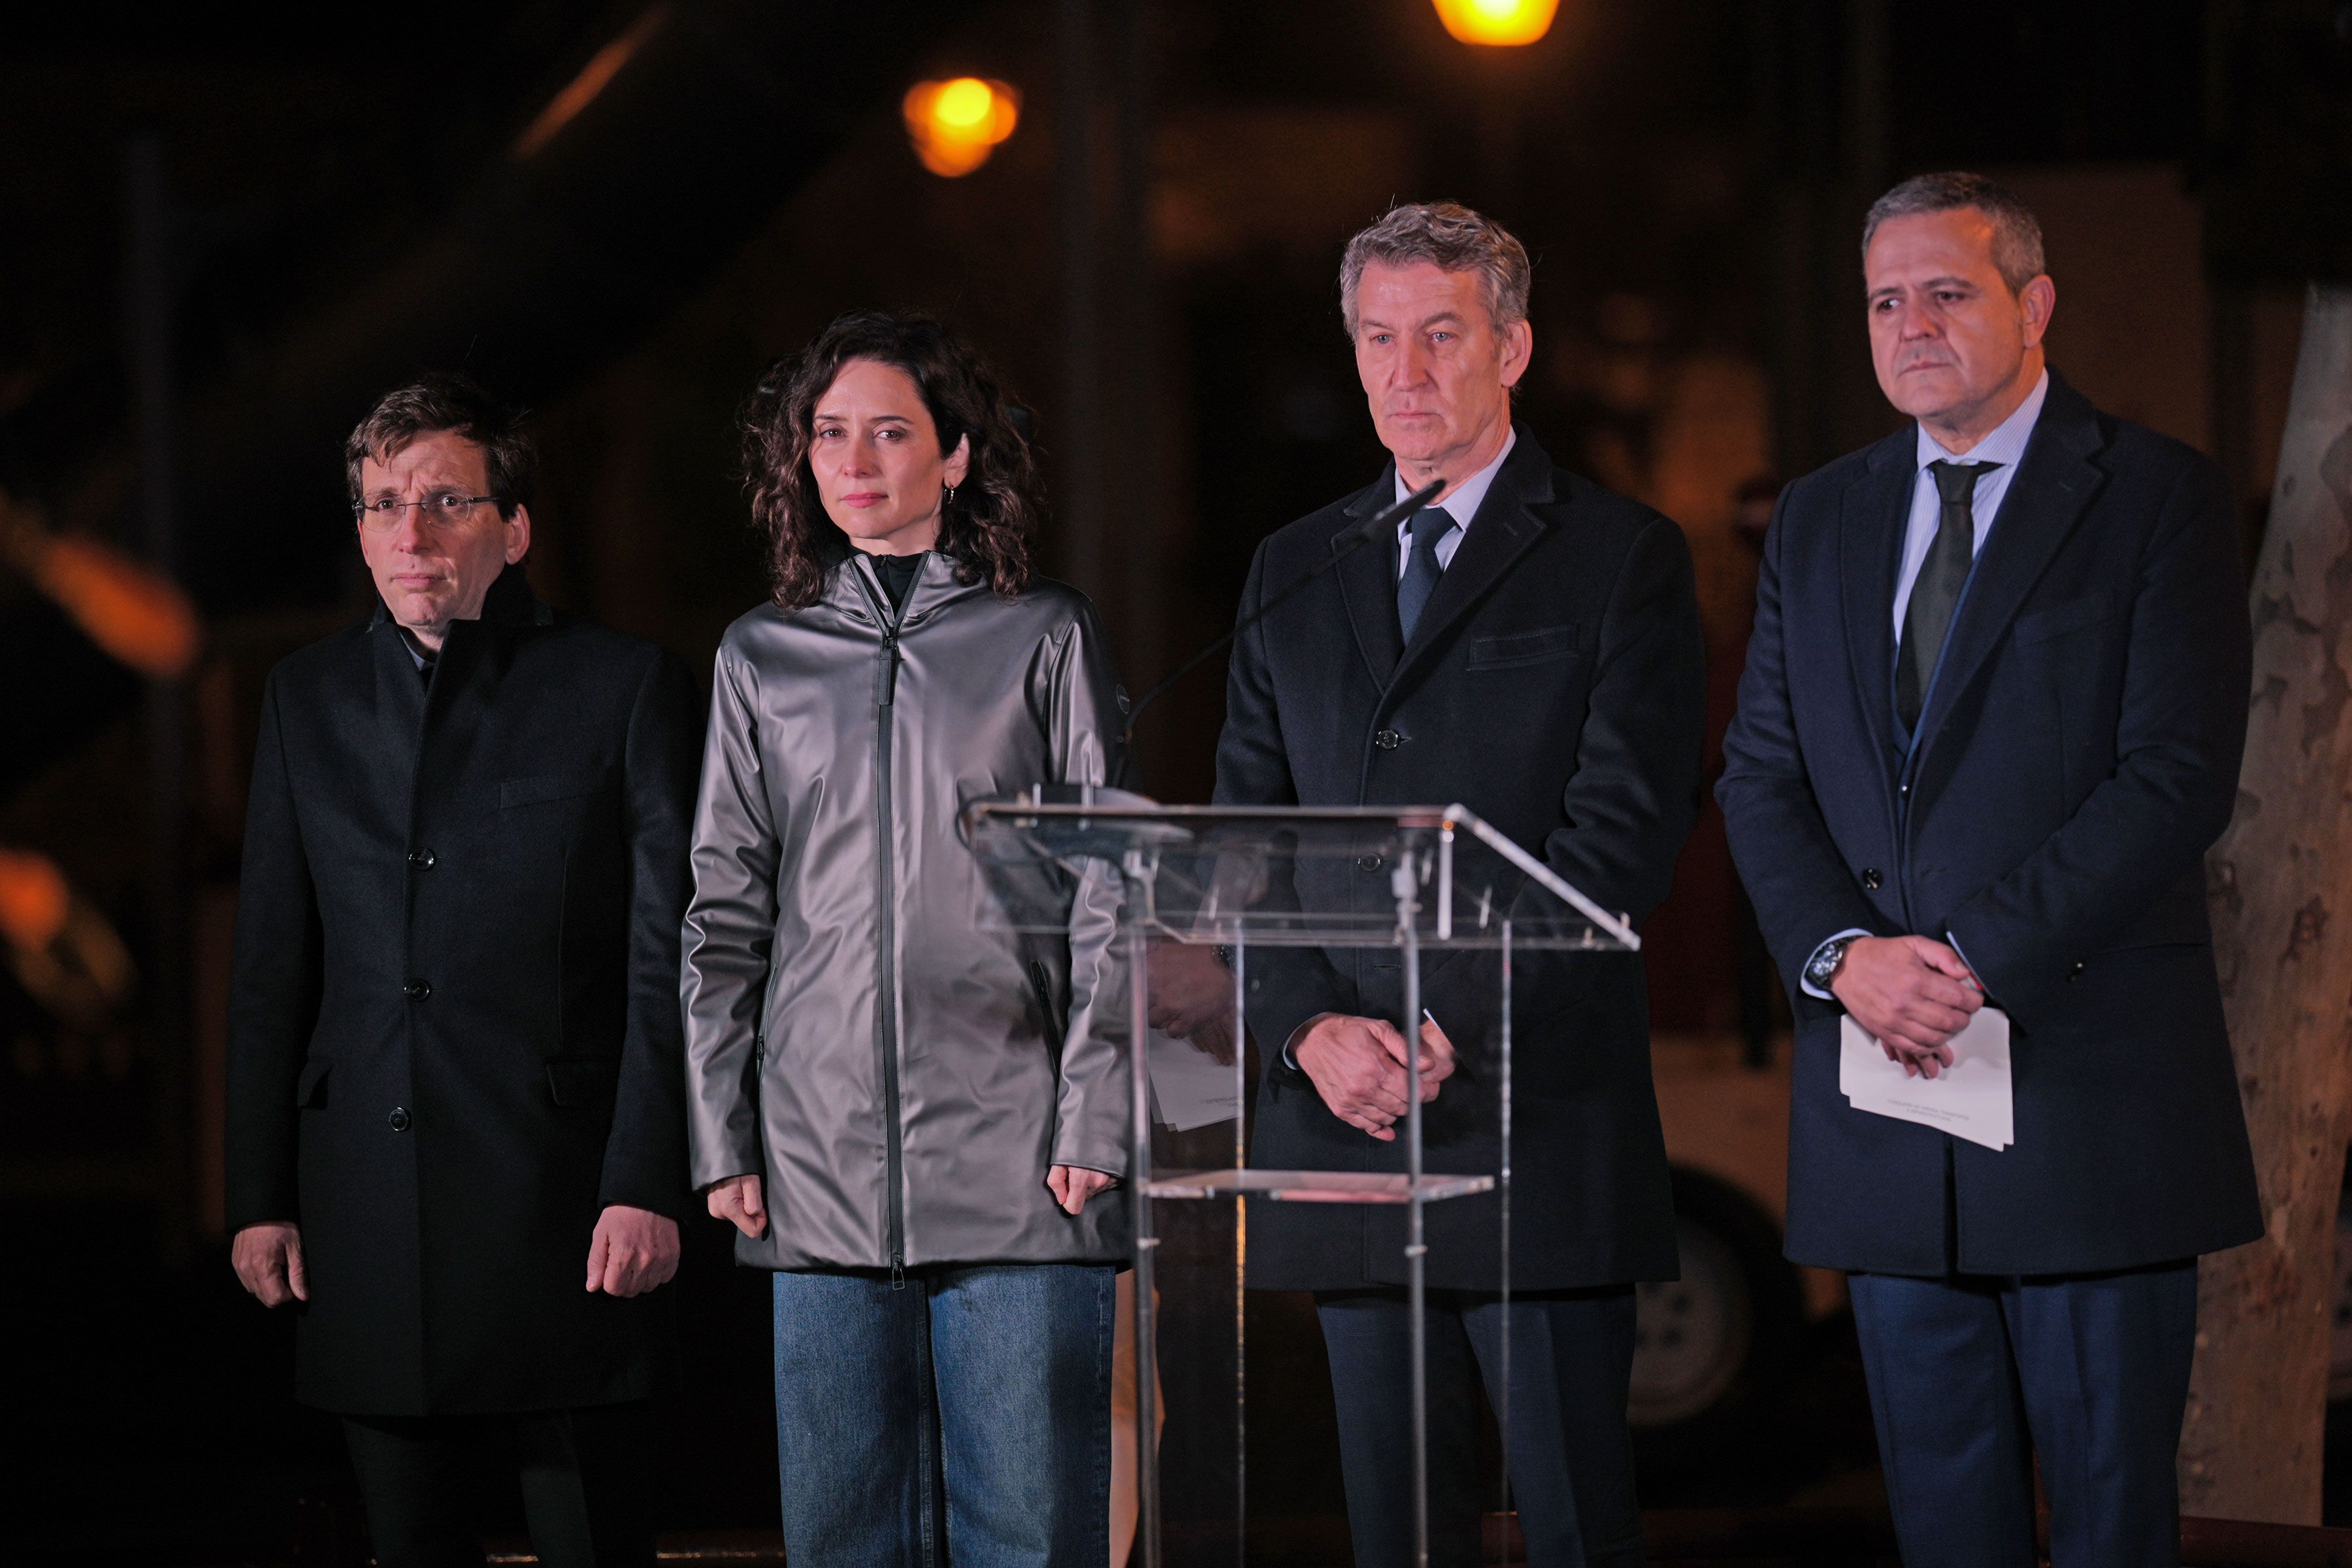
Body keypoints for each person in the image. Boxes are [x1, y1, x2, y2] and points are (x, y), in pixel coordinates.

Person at [1717, 172, 2262, 1568]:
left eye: (1947, 292)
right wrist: (1846, 961)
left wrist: (1966, 961)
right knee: (1943, 1529)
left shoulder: (2159, 499)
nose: (1911, 325)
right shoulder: (1823, 518)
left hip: (2089, 1102)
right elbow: (1762, 777)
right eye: (1885, 301)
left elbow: (2174, 777)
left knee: (2107, 1526)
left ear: (2035, 305)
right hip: (1888, 1106)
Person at [1214, 203, 1706, 1568]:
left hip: (1528, 1115)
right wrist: (1307, 1033)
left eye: (1441, 335)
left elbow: (1619, 840)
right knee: (1398, 1540)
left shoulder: (1619, 558)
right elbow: (1246, 844)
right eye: (1378, 339)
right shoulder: (1290, 568)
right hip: (1346, 1127)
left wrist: (1446, 1026)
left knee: (1569, 1528)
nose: (1405, 372)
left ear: (1515, 347)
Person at [223, 375, 702, 1567]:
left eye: (445, 501)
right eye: (383, 504)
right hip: (367, 1211)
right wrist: (257, 1190)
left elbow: (667, 957)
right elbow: (274, 960)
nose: (410, 533)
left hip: (569, 1212)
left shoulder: (621, 684)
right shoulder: (306, 698)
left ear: (516, 527)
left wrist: (648, 1177)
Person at [682, 312, 1130, 1568]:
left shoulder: (1046, 634)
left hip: (1025, 1165)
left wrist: (1094, 1119)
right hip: (814, 1167)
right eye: (830, 434)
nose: (858, 460)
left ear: (958, 455)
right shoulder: (760, 656)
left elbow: (1115, 893)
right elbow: (723, 911)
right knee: (843, 1543)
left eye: (892, 430)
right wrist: (724, 1134)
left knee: (1029, 1539)